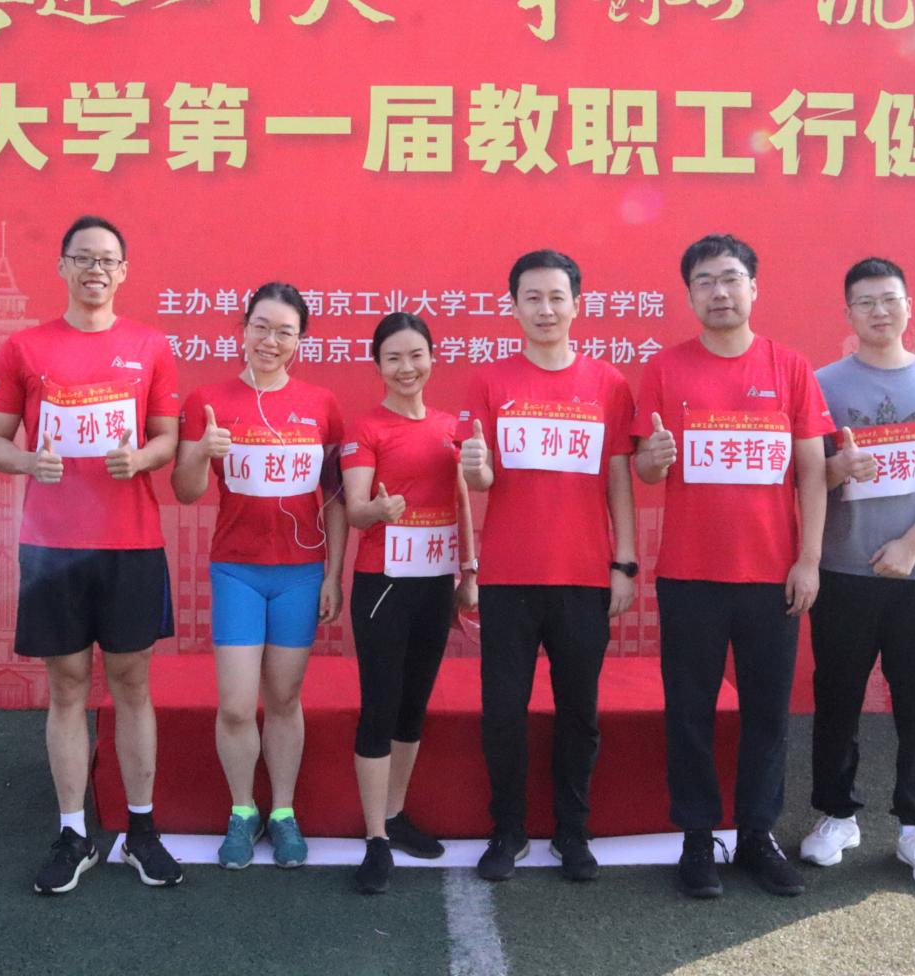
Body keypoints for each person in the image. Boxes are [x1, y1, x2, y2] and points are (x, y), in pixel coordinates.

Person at [0, 215, 185, 894]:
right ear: (63, 266)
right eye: (84, 258)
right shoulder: (24, 346)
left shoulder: (150, 346)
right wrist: (28, 463)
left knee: (131, 685)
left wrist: (142, 458)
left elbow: (167, 438)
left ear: (124, 272)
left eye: (108, 260)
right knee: (67, 686)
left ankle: (141, 831)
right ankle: (73, 832)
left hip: (131, 544)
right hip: (52, 548)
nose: (96, 270)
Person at [633, 234, 830, 899]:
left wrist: (809, 560)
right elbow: (645, 467)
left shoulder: (789, 367)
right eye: (705, 282)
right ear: (690, 295)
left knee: (767, 713)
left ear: (753, 288)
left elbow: (811, 471)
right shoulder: (666, 369)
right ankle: (696, 837)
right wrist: (654, 458)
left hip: (773, 576)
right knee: (689, 710)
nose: (719, 292)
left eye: (730, 279)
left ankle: (756, 835)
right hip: (690, 574)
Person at [800, 257, 915, 891]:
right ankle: (836, 816)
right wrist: (836, 470)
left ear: (908, 307)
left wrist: (911, 543)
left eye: (889, 299)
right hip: (842, 572)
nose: (878, 311)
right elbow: (800, 475)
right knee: (836, 700)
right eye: (865, 302)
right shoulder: (822, 385)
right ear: (847, 314)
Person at [462, 249, 636, 883]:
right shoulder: (490, 382)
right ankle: (507, 829)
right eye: (531, 297)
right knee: (503, 711)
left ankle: (572, 830)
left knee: (579, 712)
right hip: (508, 577)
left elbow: (618, 476)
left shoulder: (608, 384)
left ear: (577, 305)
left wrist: (625, 562)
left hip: (584, 576)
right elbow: (480, 477)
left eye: (556, 296)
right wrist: (477, 471)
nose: (545, 309)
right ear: (513, 307)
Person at [174, 282, 346, 871]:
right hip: (237, 572)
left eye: (285, 332)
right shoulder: (207, 401)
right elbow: (185, 490)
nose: (271, 341)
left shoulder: (321, 404)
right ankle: (243, 810)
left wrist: (333, 574)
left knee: (284, 697)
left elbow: (336, 498)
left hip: (301, 573)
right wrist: (202, 451)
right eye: (261, 327)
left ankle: (283, 812)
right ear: (243, 329)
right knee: (234, 704)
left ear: (301, 341)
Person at [339, 312, 478, 894]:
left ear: (432, 359)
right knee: (380, 706)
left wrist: (469, 572)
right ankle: (375, 838)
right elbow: (354, 508)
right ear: (377, 365)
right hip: (384, 586)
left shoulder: (450, 428)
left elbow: (462, 500)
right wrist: (378, 510)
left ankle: (395, 815)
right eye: (393, 358)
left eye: (416, 355)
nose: (406, 367)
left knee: (413, 706)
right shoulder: (365, 428)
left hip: (434, 585)